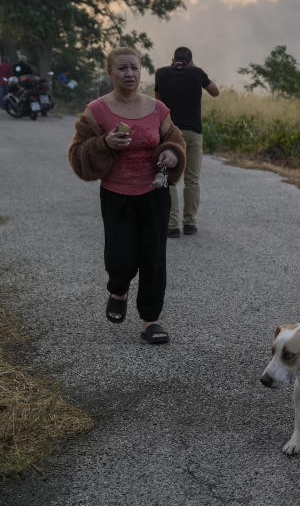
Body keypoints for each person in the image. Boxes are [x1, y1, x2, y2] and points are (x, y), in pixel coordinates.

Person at [68, 47, 187, 344]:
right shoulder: (96, 111)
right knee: (120, 258)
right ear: (110, 72)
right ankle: (118, 290)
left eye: (134, 68)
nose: (129, 74)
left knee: (153, 258)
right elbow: (77, 155)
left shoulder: (157, 109)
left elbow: (175, 140)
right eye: (122, 68)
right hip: (116, 196)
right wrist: (105, 143)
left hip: (155, 194)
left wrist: (172, 154)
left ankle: (151, 320)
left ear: (141, 71)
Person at [154, 46, 219, 238]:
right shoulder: (197, 73)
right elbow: (215, 92)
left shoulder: (162, 73)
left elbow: (158, 102)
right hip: (193, 133)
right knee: (192, 179)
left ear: (172, 60)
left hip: (169, 134)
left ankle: (172, 225)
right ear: (191, 61)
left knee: (169, 178)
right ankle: (190, 223)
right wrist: (195, 71)